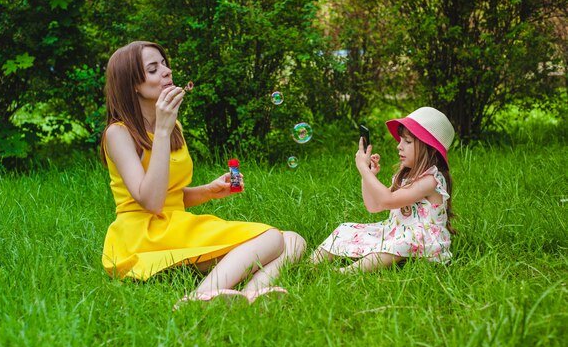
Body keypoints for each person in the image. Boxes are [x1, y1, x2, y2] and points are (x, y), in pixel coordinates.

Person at [100, 41, 306, 307]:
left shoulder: (174, 128)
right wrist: (162, 130)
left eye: (164, 63)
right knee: (271, 238)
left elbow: (168, 195)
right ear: (133, 85)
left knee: (293, 240)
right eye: (153, 69)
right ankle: (198, 297)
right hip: (144, 235)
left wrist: (208, 191)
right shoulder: (119, 133)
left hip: (174, 225)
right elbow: (150, 202)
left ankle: (250, 297)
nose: (166, 71)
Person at [311, 107, 456, 272]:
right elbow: (375, 206)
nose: (399, 146)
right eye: (400, 140)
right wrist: (368, 175)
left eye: (407, 141)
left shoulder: (430, 181)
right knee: (347, 228)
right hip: (397, 232)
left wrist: (363, 169)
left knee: (402, 242)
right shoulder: (406, 176)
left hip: (423, 243)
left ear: (429, 148)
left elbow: (388, 200)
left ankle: (345, 272)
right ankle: (310, 264)